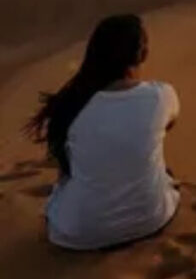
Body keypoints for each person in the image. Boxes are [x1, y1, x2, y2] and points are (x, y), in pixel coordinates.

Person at [25, 14, 180, 250]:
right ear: (143, 54)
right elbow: (170, 124)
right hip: (150, 220)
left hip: (78, 234)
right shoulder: (161, 96)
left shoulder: (71, 104)